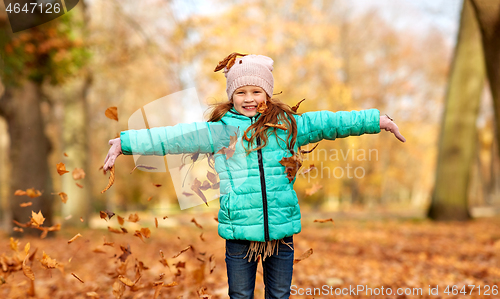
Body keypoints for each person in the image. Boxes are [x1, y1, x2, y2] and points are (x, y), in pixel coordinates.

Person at [103, 53, 405, 299]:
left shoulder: (288, 126)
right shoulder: (219, 131)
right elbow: (173, 138)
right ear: (231, 96)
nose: (249, 98)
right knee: (241, 295)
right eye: (241, 92)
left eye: (256, 91)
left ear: (267, 94)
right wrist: (125, 144)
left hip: (281, 233)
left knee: (279, 294)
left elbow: (333, 122)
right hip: (239, 234)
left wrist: (377, 120)